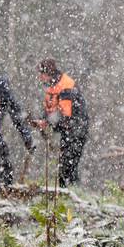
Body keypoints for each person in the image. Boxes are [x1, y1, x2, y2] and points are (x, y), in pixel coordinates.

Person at [33, 59, 89, 187]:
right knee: (65, 167)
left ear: (47, 73)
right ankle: (68, 194)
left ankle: (74, 195)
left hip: (76, 130)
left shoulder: (66, 86)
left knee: (68, 166)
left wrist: (47, 122)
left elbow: (65, 114)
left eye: (40, 74)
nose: (39, 77)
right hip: (68, 131)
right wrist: (43, 120)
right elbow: (50, 110)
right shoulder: (52, 86)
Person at [0, 76, 37, 190]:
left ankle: (6, 190)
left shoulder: (8, 99)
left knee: (3, 161)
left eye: (2, 100)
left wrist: (28, 139)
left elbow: (19, 121)